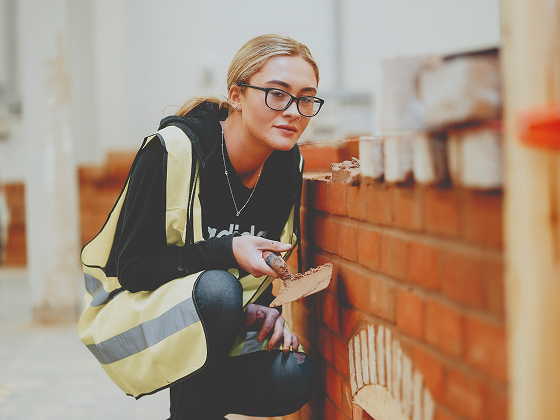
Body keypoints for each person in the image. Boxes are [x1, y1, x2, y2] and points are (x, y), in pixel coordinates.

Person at [79, 34, 324, 419]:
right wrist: (227, 248)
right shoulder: (173, 149)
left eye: (306, 98)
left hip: (213, 319)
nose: (293, 110)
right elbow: (133, 269)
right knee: (218, 287)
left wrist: (259, 313)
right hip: (131, 322)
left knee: (291, 376)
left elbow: (260, 267)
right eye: (277, 94)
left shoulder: (285, 164)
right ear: (237, 96)